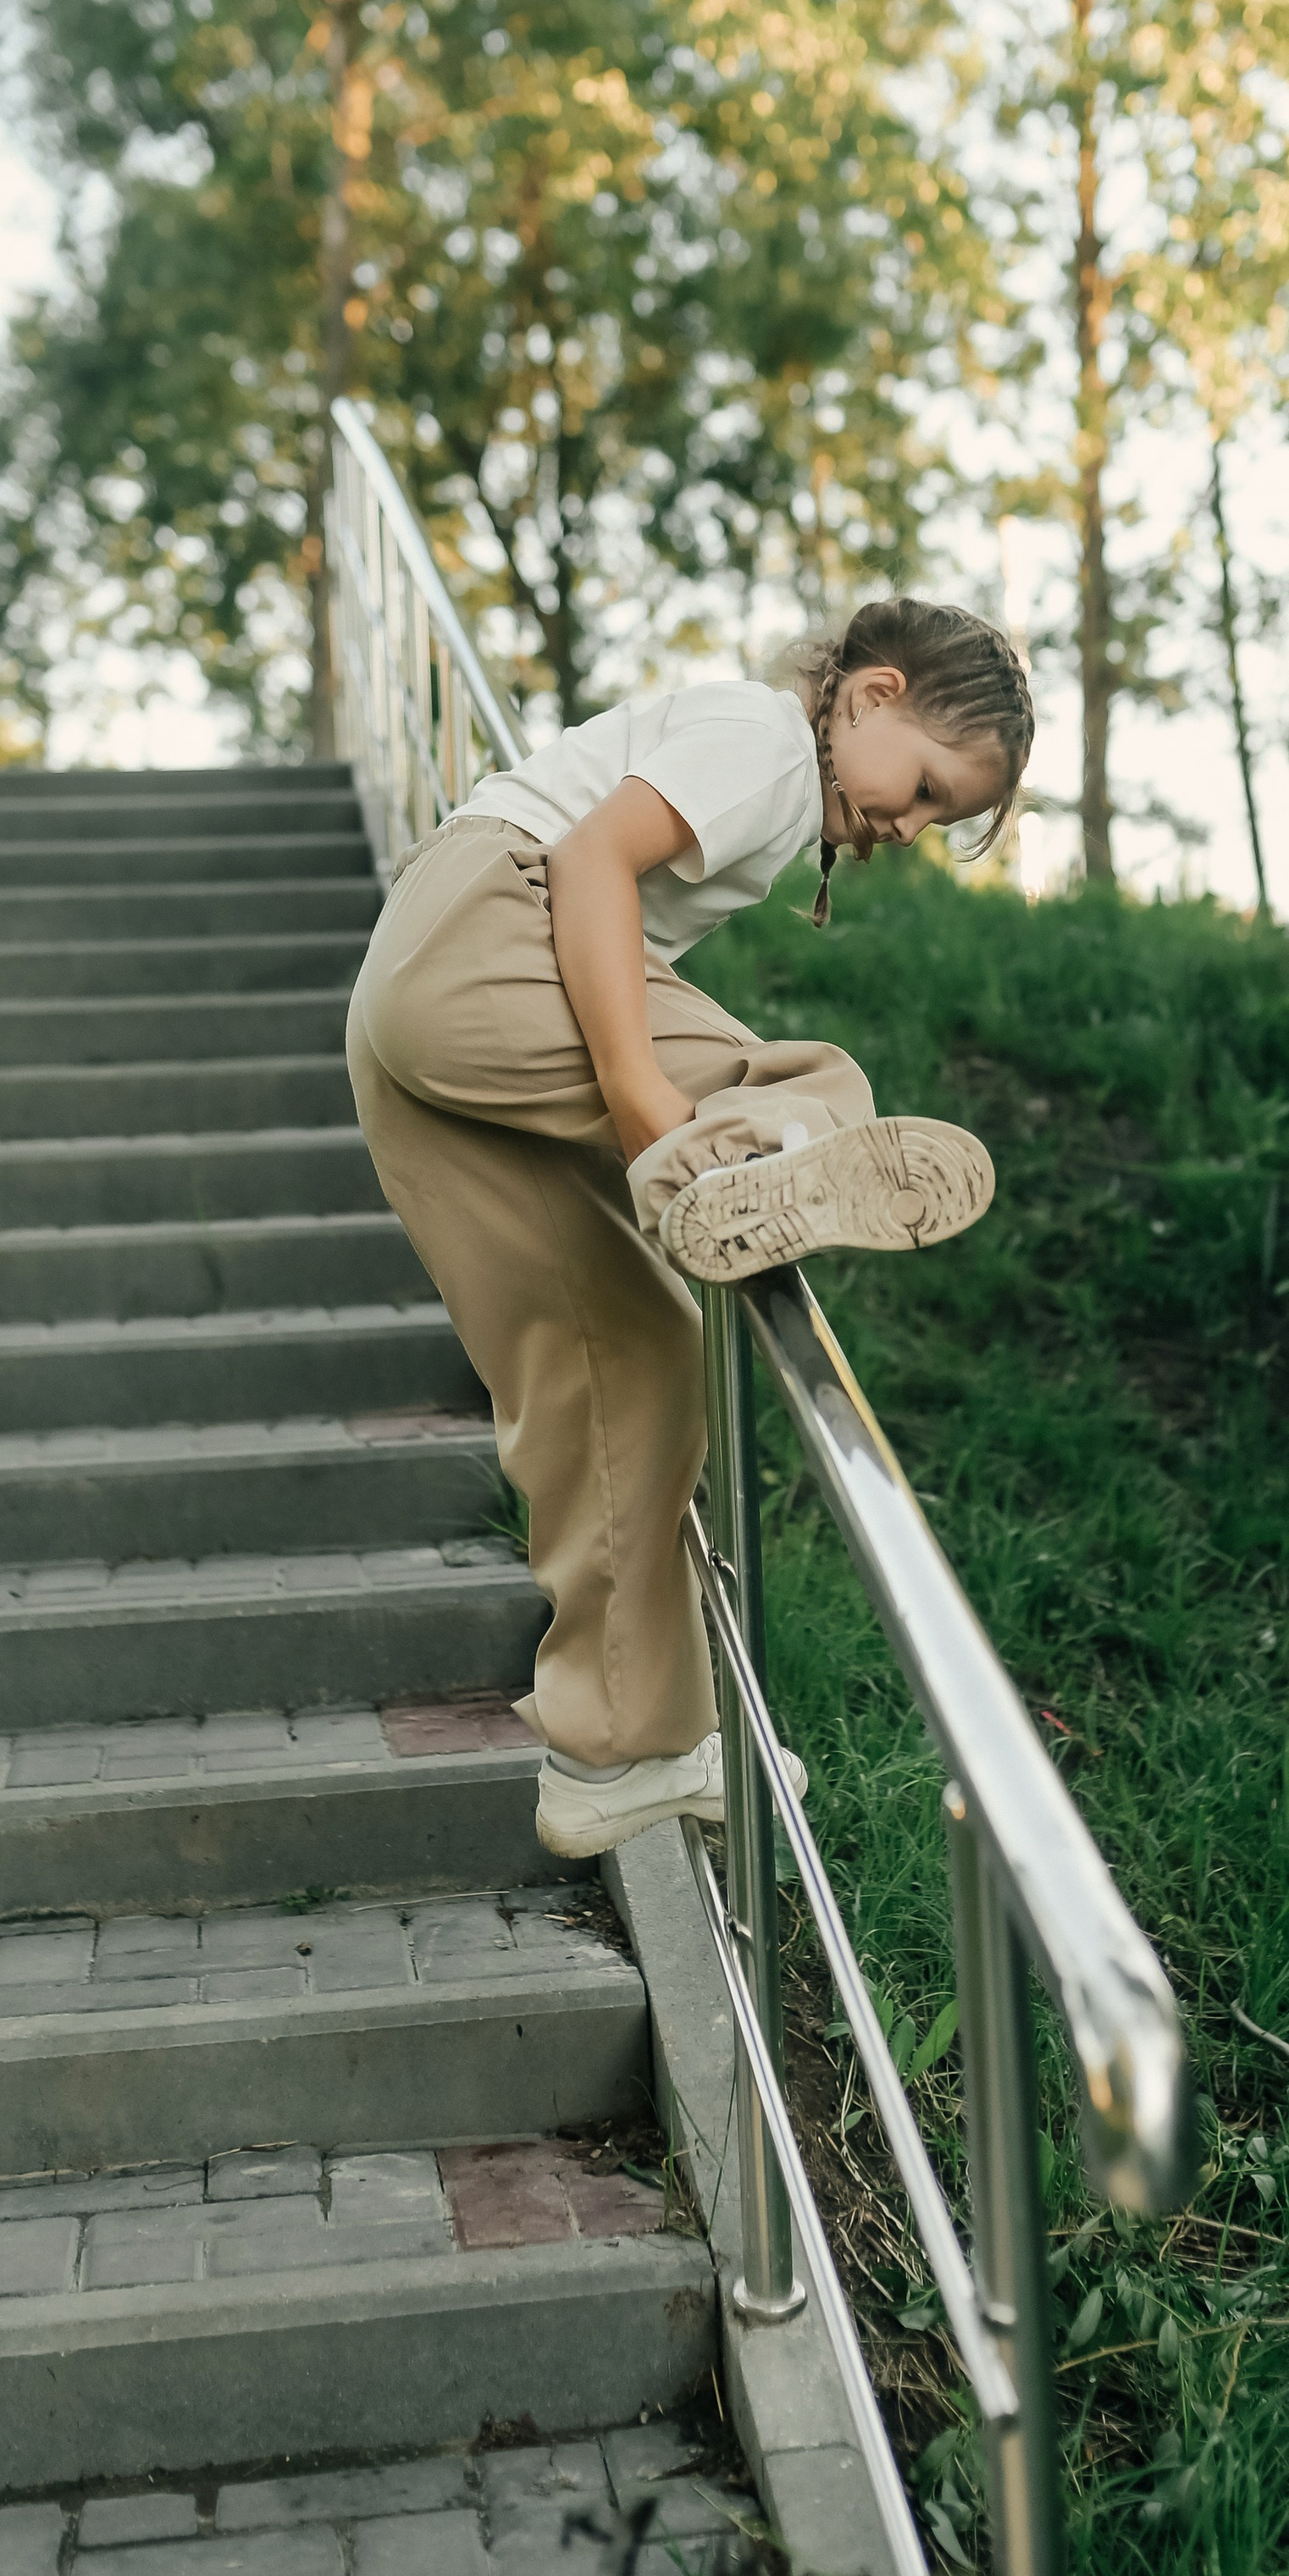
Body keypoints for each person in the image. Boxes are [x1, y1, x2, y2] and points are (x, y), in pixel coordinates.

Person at [345, 595, 1033, 1858]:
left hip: (414, 1019)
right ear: (872, 695)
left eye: (941, 821)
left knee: (624, 1360)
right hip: (481, 934)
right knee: (805, 1084)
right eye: (928, 789)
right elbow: (591, 862)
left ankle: (620, 1746)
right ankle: (762, 1156)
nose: (911, 829)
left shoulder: (776, 772)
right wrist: (639, 1099)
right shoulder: (765, 737)